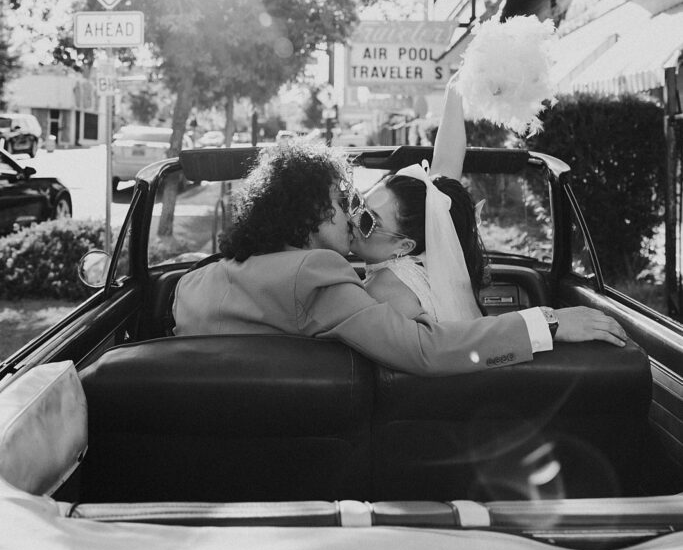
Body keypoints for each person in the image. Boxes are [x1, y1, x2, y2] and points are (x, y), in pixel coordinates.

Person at [173, 140, 627, 376]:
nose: (350, 217)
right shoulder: (317, 275)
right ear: (306, 215)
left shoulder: (194, 284)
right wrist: (545, 323)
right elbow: (426, 352)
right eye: (340, 202)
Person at [349, 73, 483, 321]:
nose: (354, 219)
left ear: (404, 246)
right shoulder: (431, 244)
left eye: (368, 221)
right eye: (357, 203)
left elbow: (432, 353)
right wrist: (455, 89)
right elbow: (447, 162)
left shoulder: (383, 290)